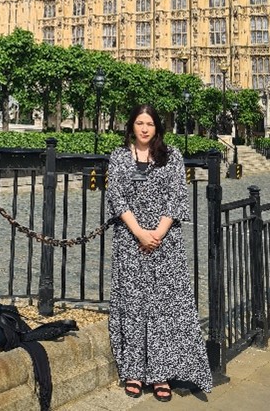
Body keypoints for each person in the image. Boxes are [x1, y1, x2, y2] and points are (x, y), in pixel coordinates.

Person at [107, 104, 212, 402]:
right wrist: (139, 232)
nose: (144, 128)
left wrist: (158, 233)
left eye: (149, 123)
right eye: (139, 123)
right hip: (130, 240)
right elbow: (116, 196)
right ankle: (134, 371)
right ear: (131, 126)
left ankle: (162, 373)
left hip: (165, 243)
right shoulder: (118, 157)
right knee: (133, 304)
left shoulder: (173, 156)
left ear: (157, 128)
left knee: (164, 307)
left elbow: (178, 196)